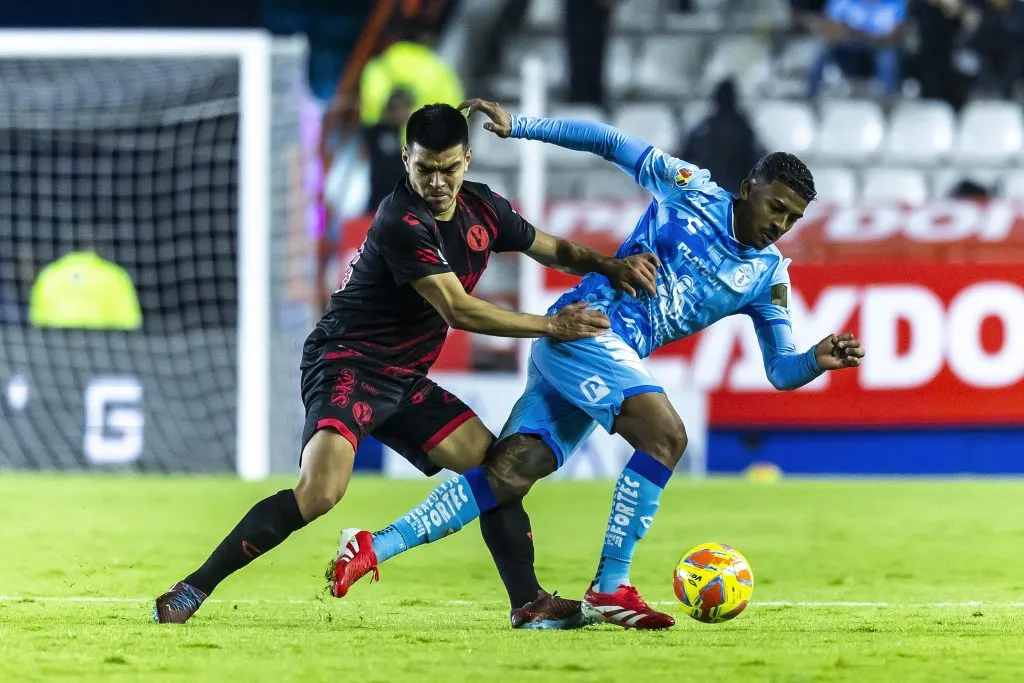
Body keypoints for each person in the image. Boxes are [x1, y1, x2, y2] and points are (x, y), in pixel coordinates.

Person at [329, 100, 865, 630]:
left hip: (596, 356)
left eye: (792, 218)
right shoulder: (689, 187)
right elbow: (608, 141)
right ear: (748, 188)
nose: (780, 224)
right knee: (666, 436)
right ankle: (611, 585)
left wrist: (814, 361)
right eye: (776, 206)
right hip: (586, 328)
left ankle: (373, 545)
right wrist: (522, 126)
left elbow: (781, 370)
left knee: (509, 473)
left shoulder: (768, 277)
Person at [153, 103, 660, 629]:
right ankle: (192, 587)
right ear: (405, 160)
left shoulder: (484, 208)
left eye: (448, 169)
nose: (437, 182)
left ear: (467, 159)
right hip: (349, 363)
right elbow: (458, 310)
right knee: (320, 494)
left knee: (497, 471)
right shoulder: (401, 220)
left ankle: (528, 602)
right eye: (424, 169)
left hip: (403, 377)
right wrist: (551, 325)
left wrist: (608, 264)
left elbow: (552, 247)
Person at [679, 79, 764, 195]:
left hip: (712, 187)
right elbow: (755, 153)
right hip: (736, 187)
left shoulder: (708, 125)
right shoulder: (741, 124)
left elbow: (687, 152)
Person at [808, 0, 907, 98]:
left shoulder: (895, 3)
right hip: (846, 48)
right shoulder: (842, 2)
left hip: (877, 48)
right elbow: (829, 27)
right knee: (823, 47)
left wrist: (865, 36)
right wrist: (848, 34)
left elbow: (897, 34)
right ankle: (811, 93)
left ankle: (889, 97)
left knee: (888, 54)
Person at [363, 88, 415, 213]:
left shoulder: (397, 134)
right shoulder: (378, 133)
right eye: (406, 108)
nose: (408, 113)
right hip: (381, 200)